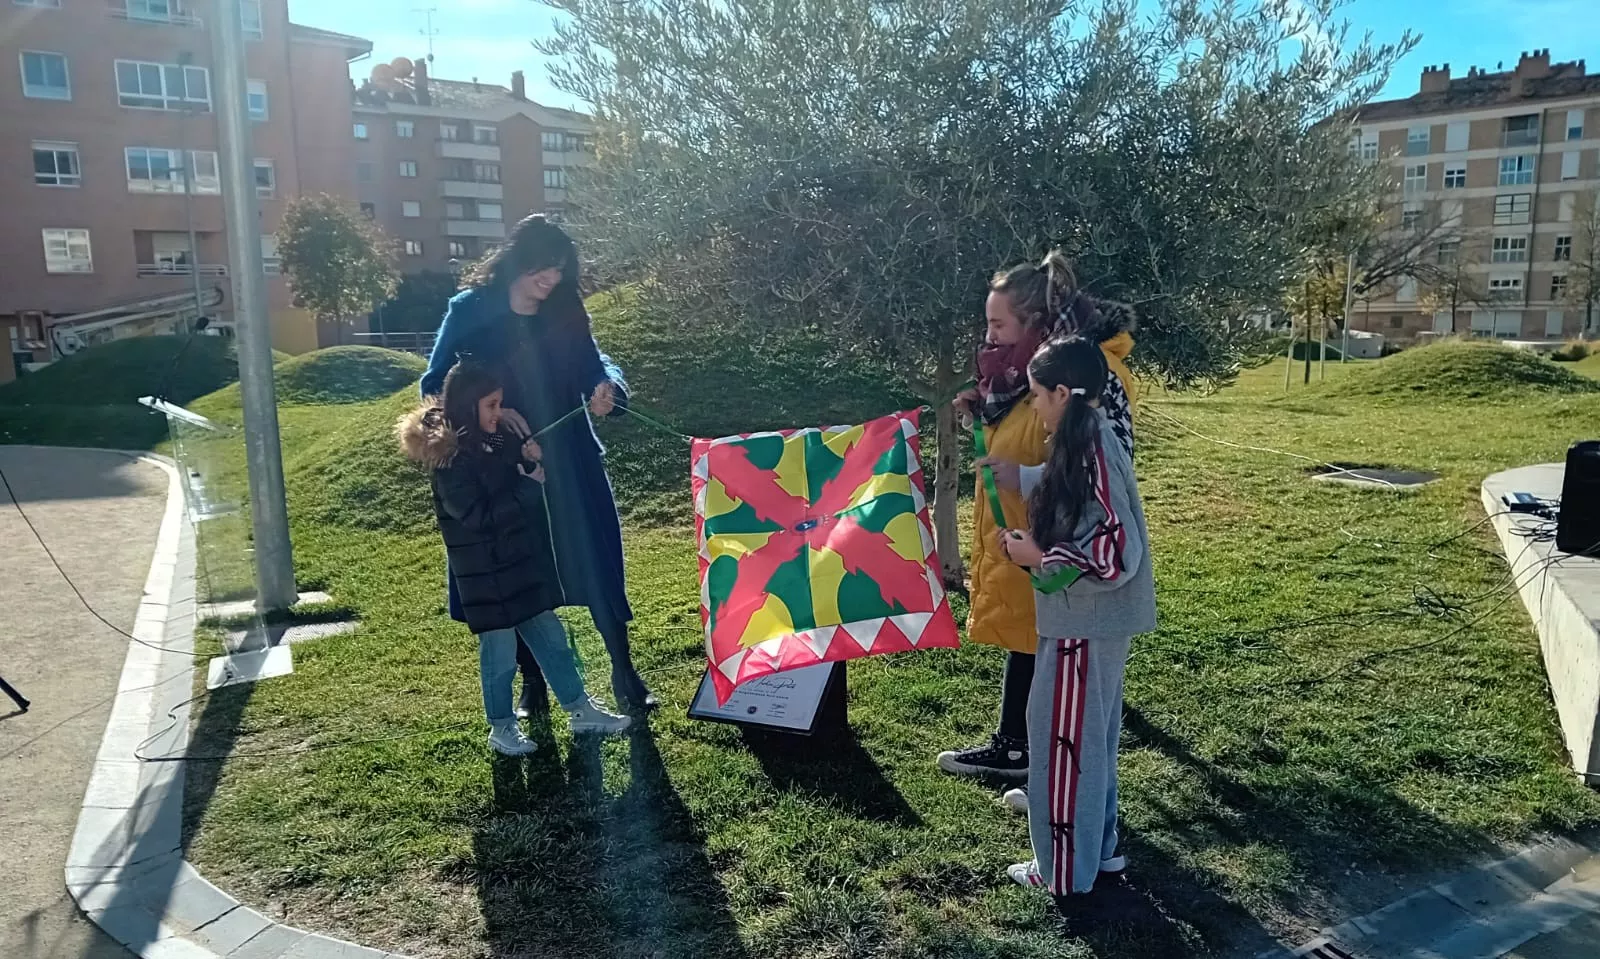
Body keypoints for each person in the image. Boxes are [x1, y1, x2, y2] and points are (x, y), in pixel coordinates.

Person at [421, 215, 655, 714]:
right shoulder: (469, 310)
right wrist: (487, 407)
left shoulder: (565, 308)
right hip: (502, 464)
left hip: (572, 460)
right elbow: (434, 382)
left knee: (596, 563)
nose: (550, 280)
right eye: (541, 270)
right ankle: (532, 684)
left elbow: (596, 364)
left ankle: (623, 670)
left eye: (559, 270)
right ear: (516, 263)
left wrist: (608, 388)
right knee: (518, 569)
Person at [937, 252, 1139, 786]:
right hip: (1033, 537)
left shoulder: (1090, 372)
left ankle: (1053, 775)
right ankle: (1026, 755)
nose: (990, 336)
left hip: (1065, 553)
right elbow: (1034, 429)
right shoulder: (1029, 371)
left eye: (999, 324)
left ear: (1037, 326)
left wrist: (1027, 479)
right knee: (1031, 642)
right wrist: (983, 414)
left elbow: (1101, 466)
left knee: (1059, 665)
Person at [398, 359, 631, 755]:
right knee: (500, 658)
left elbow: (514, 478)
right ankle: (502, 728)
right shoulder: (450, 460)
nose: (499, 412)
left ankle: (580, 709)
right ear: (470, 404)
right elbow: (477, 517)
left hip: (520, 567)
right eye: (491, 405)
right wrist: (527, 486)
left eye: (500, 402)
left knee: (555, 643)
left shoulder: (496, 440)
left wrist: (529, 459)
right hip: (486, 579)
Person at [994, 335, 1156, 898]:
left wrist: (1039, 558)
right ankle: (1098, 850)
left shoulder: (1090, 443)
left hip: (1083, 624)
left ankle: (1062, 870)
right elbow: (1086, 505)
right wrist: (1025, 501)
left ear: (1063, 393)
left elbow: (1116, 550)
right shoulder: (1087, 435)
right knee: (1090, 742)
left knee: (1063, 743)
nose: (1034, 406)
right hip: (1090, 622)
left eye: (1037, 395)